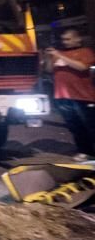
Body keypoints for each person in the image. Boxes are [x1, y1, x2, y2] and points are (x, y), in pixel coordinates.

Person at [46, 28, 95, 161]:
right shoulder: (59, 53)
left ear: (77, 39)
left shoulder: (85, 52)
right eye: (63, 39)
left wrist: (61, 56)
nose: (65, 42)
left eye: (68, 39)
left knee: (90, 125)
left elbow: (82, 67)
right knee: (75, 126)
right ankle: (84, 151)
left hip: (82, 96)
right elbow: (49, 69)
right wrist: (51, 58)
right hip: (62, 96)